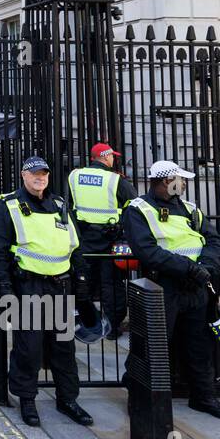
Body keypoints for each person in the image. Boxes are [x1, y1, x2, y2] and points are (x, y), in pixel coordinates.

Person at [123, 160, 220, 423]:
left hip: (196, 286)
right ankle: (138, 396)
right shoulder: (138, 209)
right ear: (166, 181)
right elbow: (147, 251)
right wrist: (188, 268)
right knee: (152, 345)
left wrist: (206, 267)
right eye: (181, 179)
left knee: (199, 345)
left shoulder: (190, 209)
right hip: (162, 286)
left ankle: (204, 396)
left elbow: (216, 241)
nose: (184, 184)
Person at [0, 156, 94, 427]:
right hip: (28, 287)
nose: (40, 178)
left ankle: (67, 399)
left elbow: (75, 246)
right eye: (34, 174)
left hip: (60, 286)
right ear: (23, 175)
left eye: (44, 174)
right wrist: (7, 290)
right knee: (28, 348)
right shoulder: (9, 205)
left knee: (63, 348)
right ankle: (27, 399)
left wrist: (81, 282)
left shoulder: (59, 205)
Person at [67, 143, 137, 337]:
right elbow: (134, 206)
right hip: (110, 239)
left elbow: (69, 205)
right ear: (105, 157)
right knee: (111, 284)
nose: (114, 159)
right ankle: (112, 329)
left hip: (83, 239)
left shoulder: (74, 176)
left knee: (83, 282)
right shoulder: (115, 180)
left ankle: (86, 326)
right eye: (112, 156)